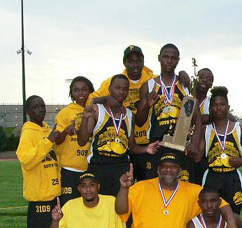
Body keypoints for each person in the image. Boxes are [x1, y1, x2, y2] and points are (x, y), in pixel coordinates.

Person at [88, 45, 190, 181]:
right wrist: (106, 98)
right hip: (122, 142)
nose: (135, 65)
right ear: (124, 63)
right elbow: (90, 101)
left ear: (144, 61)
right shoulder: (114, 81)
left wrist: (182, 73)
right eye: (131, 61)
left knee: (147, 183)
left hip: (148, 144)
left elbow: (171, 79)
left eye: (138, 61)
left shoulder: (152, 80)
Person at [78, 74, 158, 196]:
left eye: (125, 88)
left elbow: (131, 146)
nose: (121, 92)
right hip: (99, 168)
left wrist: (146, 149)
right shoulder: (97, 110)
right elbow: (82, 141)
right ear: (110, 88)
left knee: (120, 210)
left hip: (121, 169)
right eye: (117, 87)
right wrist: (84, 118)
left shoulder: (129, 115)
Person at [16, 95, 63, 228]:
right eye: (35, 107)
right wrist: (48, 141)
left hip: (53, 196)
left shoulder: (45, 129)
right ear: (28, 111)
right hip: (39, 200)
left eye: (42, 106)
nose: (40, 109)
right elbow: (26, 159)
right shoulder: (29, 132)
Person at [136, 43, 202, 183]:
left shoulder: (184, 85)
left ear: (178, 60)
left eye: (173, 58)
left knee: (183, 187)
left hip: (180, 142)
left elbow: (196, 117)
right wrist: (145, 106)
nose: (169, 61)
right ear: (159, 58)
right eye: (166, 57)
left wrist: (194, 143)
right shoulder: (148, 85)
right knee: (154, 189)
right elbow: (140, 121)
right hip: (157, 144)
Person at [54, 76, 95, 228]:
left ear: (90, 91)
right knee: (68, 215)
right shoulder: (64, 113)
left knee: (90, 214)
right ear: (71, 93)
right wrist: (66, 130)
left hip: (90, 168)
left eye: (84, 89)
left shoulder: (95, 110)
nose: (80, 93)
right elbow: (57, 139)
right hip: (70, 170)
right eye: (76, 90)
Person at [201, 86, 242, 214]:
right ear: (210, 108)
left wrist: (241, 161)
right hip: (213, 176)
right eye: (215, 105)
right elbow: (198, 155)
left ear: (228, 107)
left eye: (222, 104)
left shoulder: (240, 129)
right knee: (211, 213)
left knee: (234, 214)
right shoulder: (206, 130)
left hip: (232, 177)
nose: (219, 108)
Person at [193, 68, 214, 183]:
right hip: (183, 147)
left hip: (203, 154)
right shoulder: (185, 97)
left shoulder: (212, 104)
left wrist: (211, 117)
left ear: (211, 84)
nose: (204, 80)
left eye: (208, 79)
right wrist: (202, 118)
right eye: (201, 77)